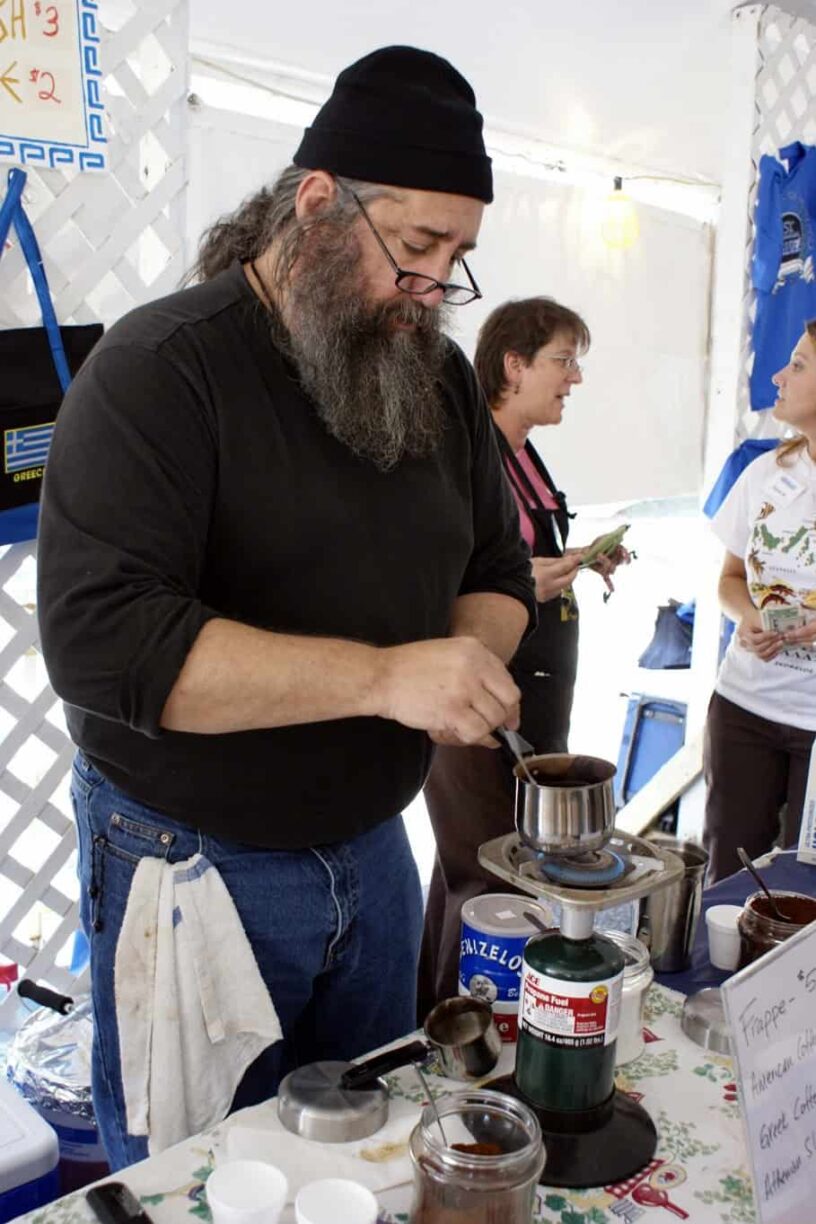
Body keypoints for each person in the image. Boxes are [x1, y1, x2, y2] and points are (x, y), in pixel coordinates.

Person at [36, 46, 537, 1168]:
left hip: (373, 847)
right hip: (192, 862)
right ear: (316, 204)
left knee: (364, 1156)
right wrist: (385, 677)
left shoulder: (439, 375)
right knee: (203, 1176)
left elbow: (498, 576)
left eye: (457, 257)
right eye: (415, 248)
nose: (435, 288)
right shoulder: (162, 371)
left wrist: (462, 660)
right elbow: (104, 643)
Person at [418, 296, 628, 1014]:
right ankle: (468, 1030)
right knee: (485, 874)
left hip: (532, 691)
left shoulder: (522, 454)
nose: (575, 379)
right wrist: (526, 582)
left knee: (477, 872)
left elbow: (514, 556)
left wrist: (574, 561)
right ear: (513, 364)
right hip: (476, 701)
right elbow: (441, 581)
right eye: (563, 361)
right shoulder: (459, 452)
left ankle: (438, 1010)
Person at [703, 320, 816, 883]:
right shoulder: (765, 472)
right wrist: (747, 618)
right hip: (744, 708)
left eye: (798, 364)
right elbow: (728, 579)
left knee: (804, 884)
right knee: (729, 871)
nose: (779, 375)